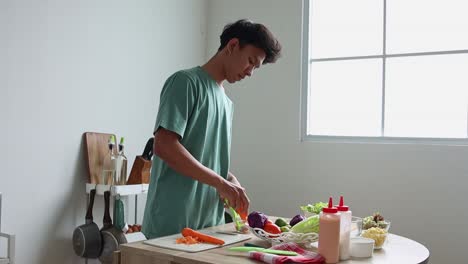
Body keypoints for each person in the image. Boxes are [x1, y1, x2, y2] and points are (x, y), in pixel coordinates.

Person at [142, 19, 282, 239]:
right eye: (250, 61)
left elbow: (206, 158)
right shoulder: (185, 82)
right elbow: (164, 146)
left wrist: (230, 181)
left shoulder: (226, 103)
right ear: (232, 45)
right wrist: (220, 182)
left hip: (210, 227)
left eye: (256, 67)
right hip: (171, 226)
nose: (250, 72)